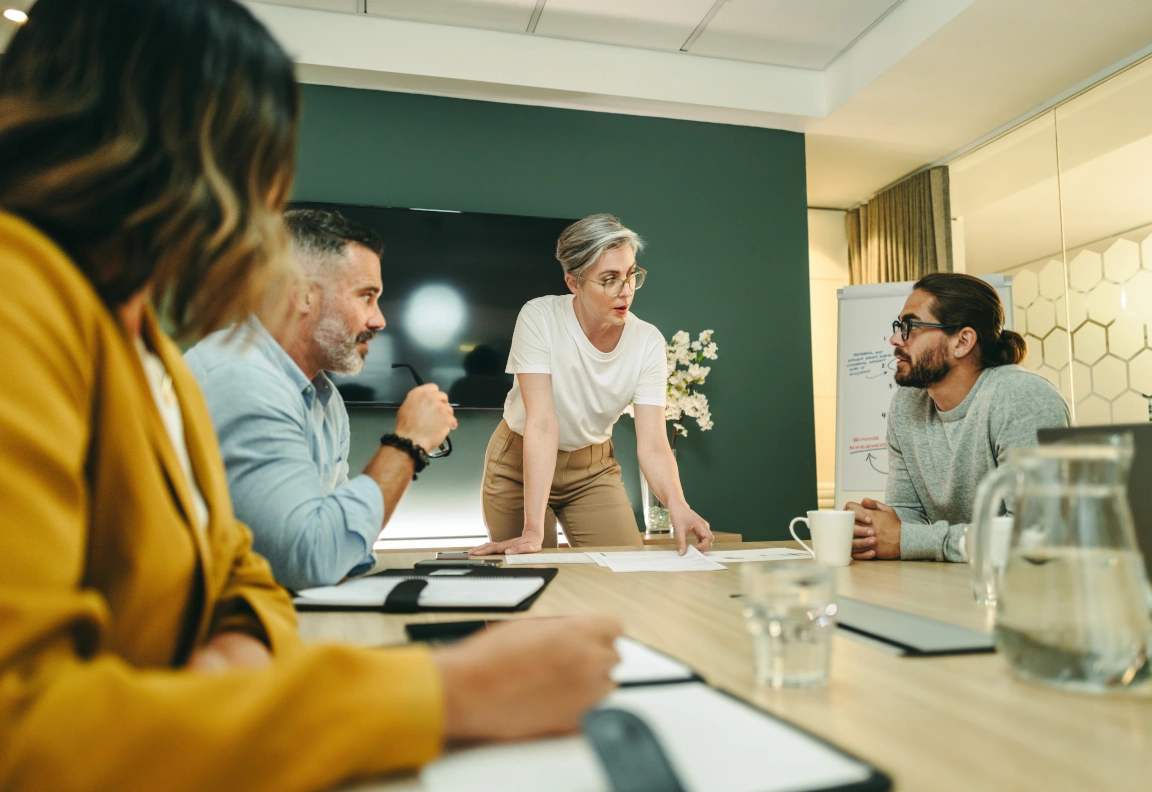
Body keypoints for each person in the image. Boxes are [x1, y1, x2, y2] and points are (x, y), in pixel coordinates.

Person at [0, 3, 620, 790]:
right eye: (254, 167)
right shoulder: (19, 300)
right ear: (169, 149)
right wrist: (453, 691)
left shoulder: (139, 341)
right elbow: (26, 736)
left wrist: (236, 655)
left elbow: (239, 568)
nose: (259, 220)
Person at [185, 208, 457, 589]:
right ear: (301, 295)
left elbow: (338, 549)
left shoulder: (324, 399)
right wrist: (407, 442)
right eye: (366, 297)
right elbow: (310, 562)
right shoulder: (243, 379)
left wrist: (334, 548)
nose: (378, 320)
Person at [470, 214, 714, 557]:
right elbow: (541, 422)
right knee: (532, 580)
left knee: (626, 578)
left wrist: (678, 503)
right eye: (609, 279)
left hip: (592, 472)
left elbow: (654, 442)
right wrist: (533, 530)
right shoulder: (539, 318)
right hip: (519, 465)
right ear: (574, 282)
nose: (625, 291)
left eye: (630, 275)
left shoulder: (648, 343)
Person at [845, 273, 1070, 562]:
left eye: (910, 326)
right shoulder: (907, 403)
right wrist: (871, 533)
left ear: (962, 341)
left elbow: (1038, 535)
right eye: (899, 326)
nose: (894, 338)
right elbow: (905, 518)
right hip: (954, 585)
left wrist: (908, 539)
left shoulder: (1023, 398)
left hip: (1027, 593)